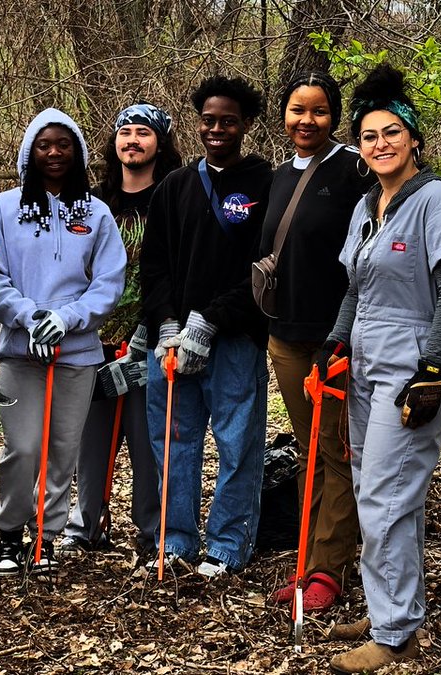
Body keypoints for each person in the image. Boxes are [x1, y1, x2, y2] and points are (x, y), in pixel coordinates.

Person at [320, 64, 441, 672]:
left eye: (390, 133)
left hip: (412, 365)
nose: (379, 143)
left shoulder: (439, 201)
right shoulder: (368, 207)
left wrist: (433, 367)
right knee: (374, 490)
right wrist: (335, 346)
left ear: (413, 138)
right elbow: (355, 290)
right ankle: (393, 605)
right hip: (363, 362)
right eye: (367, 136)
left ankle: (394, 633)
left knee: (386, 494)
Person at [138, 76, 272, 577]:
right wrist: (169, 324)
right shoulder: (174, 186)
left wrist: (211, 320)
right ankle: (175, 541)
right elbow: (154, 266)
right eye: (209, 120)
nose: (217, 130)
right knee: (173, 439)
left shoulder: (265, 183)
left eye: (229, 121)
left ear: (245, 125)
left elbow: (265, 265)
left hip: (235, 339)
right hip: (173, 342)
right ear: (198, 122)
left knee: (238, 442)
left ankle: (228, 544)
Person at [0, 108, 126, 576]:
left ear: (79, 152)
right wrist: (30, 318)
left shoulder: (96, 211)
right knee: (23, 446)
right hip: (20, 352)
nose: (53, 153)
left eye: (63, 145)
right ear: (30, 151)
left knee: (63, 449)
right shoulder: (4, 208)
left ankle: (47, 536)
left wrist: (66, 320)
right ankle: (9, 535)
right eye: (44, 145)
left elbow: (108, 281)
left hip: (77, 354)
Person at [261, 71, 374, 612]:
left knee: (336, 450)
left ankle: (329, 569)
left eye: (319, 111)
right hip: (285, 338)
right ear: (283, 115)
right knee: (309, 452)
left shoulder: (354, 169)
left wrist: (347, 335)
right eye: (297, 110)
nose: (307, 121)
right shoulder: (280, 176)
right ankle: (309, 559)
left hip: (333, 341)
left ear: (335, 117)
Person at [57, 103, 181, 559]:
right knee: (91, 437)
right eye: (124, 131)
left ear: (160, 142)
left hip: (151, 339)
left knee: (148, 440)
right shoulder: (92, 201)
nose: (132, 140)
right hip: (92, 338)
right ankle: (86, 524)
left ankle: (153, 532)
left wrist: (157, 329)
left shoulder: (173, 195)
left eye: (143, 133)